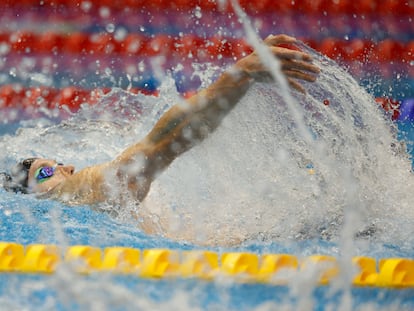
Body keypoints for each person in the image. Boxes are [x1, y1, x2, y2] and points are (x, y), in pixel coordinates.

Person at [1, 34, 320, 232]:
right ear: (32, 200)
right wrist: (239, 76)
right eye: (45, 172)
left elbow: (167, 139)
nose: (66, 168)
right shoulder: (81, 194)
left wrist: (241, 76)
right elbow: (167, 139)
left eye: (57, 163)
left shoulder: (93, 189)